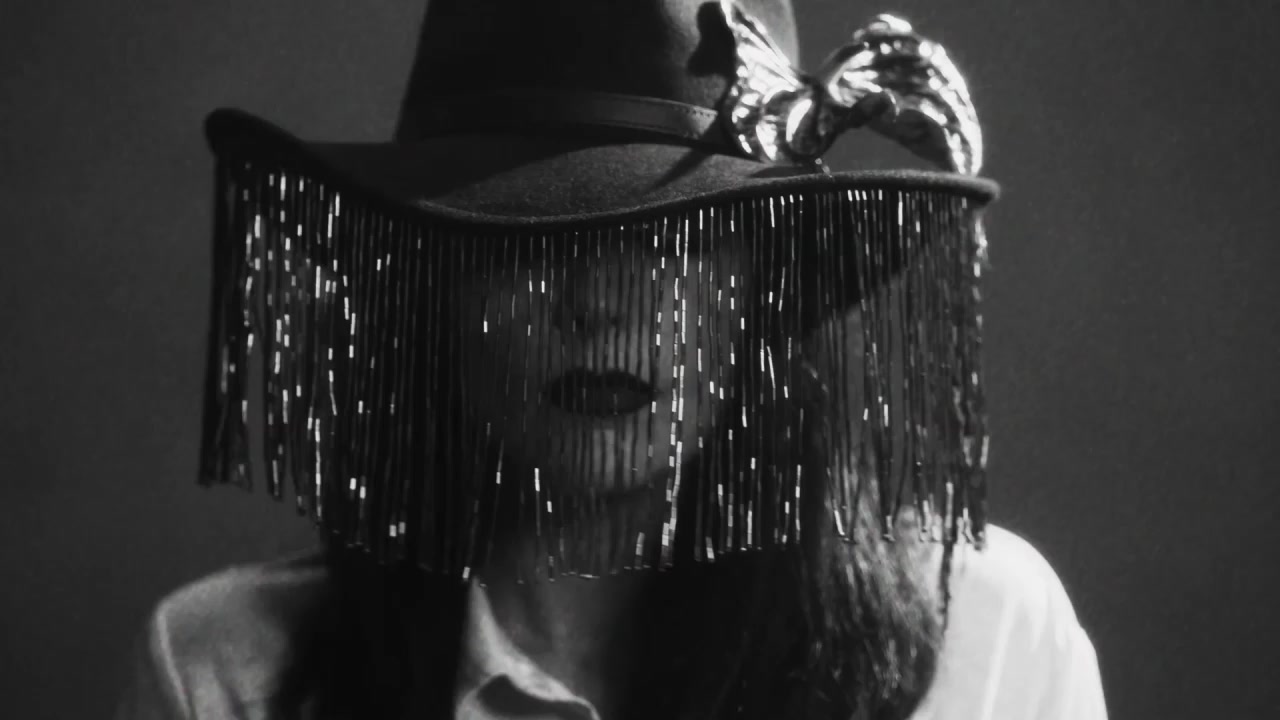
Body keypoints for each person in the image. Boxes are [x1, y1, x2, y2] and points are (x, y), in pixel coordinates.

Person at [118, 1, 1108, 718]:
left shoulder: (983, 639)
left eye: (670, 243)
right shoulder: (230, 675)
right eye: (530, 240)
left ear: (760, 290)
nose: (598, 304)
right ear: (436, 290)